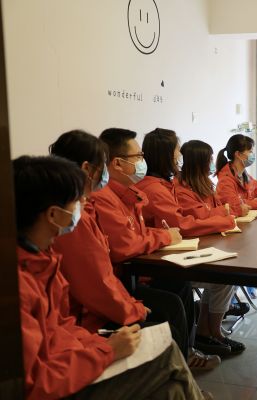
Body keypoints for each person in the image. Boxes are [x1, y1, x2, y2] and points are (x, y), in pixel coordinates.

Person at [13, 155, 206, 400]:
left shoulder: (42, 260)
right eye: (77, 201)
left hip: (73, 358)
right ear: (53, 215)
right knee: (167, 353)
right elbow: (36, 383)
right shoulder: (21, 284)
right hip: (59, 380)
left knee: (172, 388)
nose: (83, 205)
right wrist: (107, 351)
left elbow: (61, 328)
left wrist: (100, 346)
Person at [48, 130, 220, 370]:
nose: (142, 160)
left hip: (104, 298)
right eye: (138, 156)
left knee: (176, 293)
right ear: (88, 168)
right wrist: (132, 309)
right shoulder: (78, 215)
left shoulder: (108, 199)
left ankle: (184, 364)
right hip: (89, 314)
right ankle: (180, 368)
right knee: (169, 309)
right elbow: (103, 274)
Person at [93, 128, 208, 367]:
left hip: (130, 277)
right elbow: (125, 245)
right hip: (126, 281)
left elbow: (139, 233)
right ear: (117, 163)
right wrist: (165, 236)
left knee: (180, 287)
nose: (142, 161)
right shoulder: (105, 198)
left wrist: (161, 235)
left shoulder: (129, 192)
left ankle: (188, 354)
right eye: (138, 156)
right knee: (172, 301)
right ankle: (182, 362)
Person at [136, 131, 246, 356]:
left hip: (171, 254)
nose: (180, 156)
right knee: (224, 275)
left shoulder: (167, 184)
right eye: (177, 151)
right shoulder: (159, 188)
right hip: (162, 265)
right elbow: (184, 224)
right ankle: (205, 334)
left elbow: (206, 211)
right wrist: (223, 219)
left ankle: (206, 331)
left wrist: (218, 214)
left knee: (223, 275)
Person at [215, 134, 257, 217]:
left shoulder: (245, 176)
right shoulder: (225, 181)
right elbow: (237, 206)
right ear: (238, 154)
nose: (252, 154)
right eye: (250, 151)